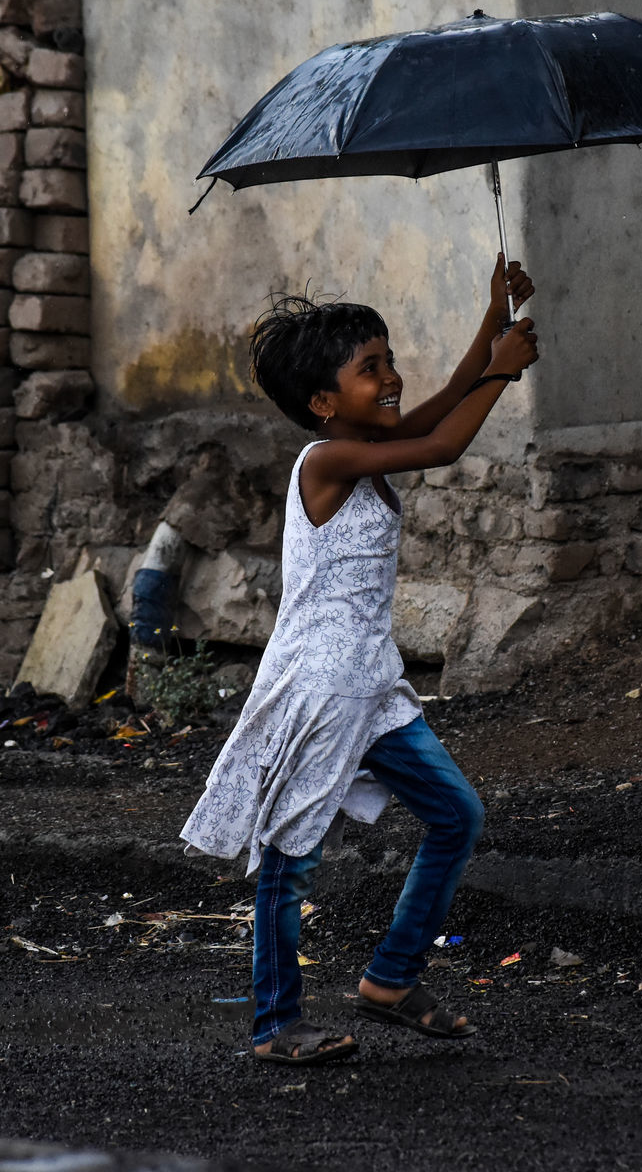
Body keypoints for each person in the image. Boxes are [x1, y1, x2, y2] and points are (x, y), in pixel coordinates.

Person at [180, 253, 537, 1066]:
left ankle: (390, 980)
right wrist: (504, 373)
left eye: (389, 361)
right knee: (289, 852)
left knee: (456, 816)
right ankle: (276, 1026)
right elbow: (447, 443)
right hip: (318, 687)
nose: (392, 379)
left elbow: (440, 413)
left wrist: (493, 322)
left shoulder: (370, 441)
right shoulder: (325, 462)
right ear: (321, 403)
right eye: (370, 370)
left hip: (369, 682)